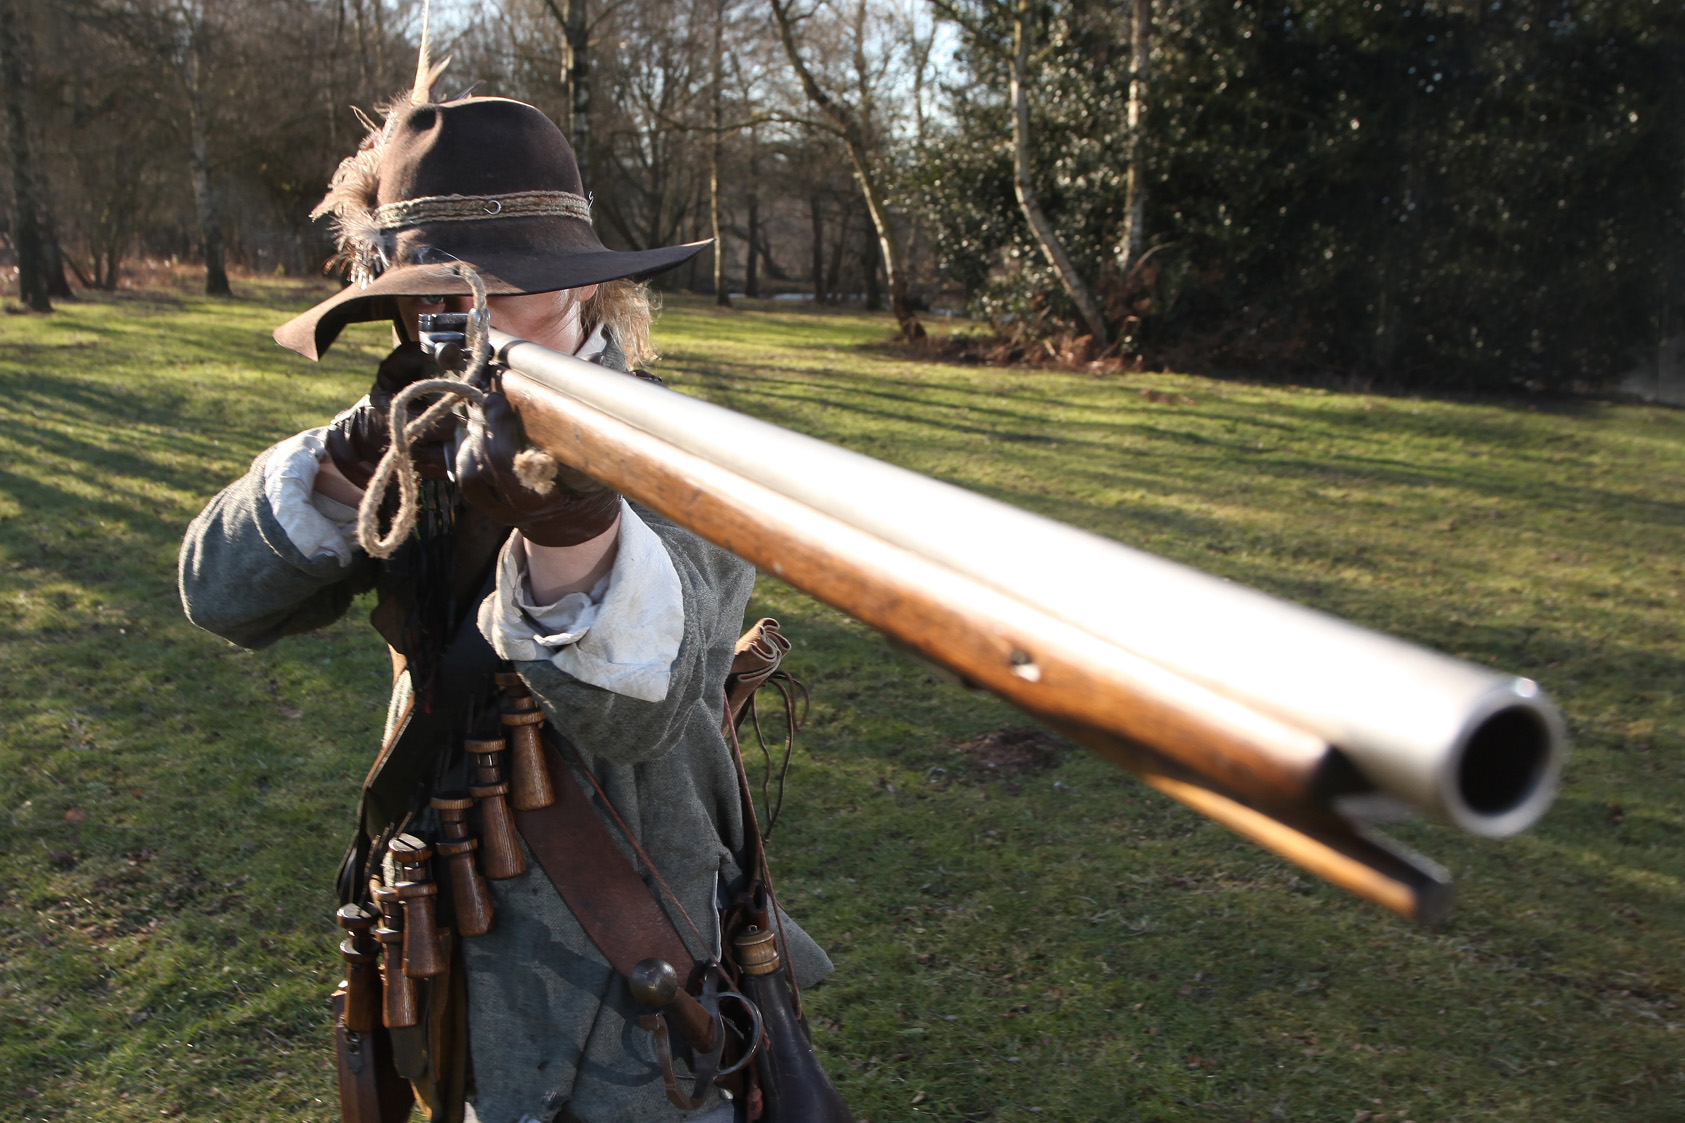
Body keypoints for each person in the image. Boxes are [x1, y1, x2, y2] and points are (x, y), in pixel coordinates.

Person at [177, 70, 832, 1123]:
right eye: (433, 283)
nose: (461, 311)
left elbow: (639, 713)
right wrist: (350, 460)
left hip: (630, 987)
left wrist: (572, 524)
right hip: (439, 947)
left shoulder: (673, 454)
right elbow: (221, 597)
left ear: (581, 284)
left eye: (506, 279)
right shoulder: (404, 419)